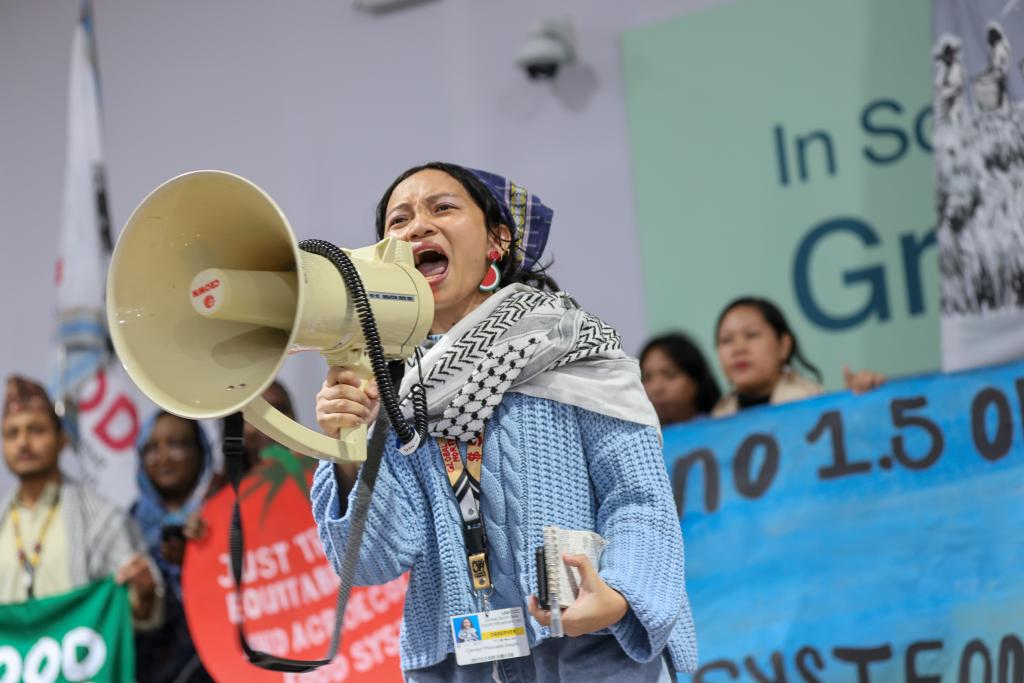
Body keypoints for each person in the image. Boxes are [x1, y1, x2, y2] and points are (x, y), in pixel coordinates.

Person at [311, 162, 696, 682]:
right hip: (460, 668)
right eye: (397, 221)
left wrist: (621, 596)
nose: (416, 227)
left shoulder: (575, 349)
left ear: (497, 241)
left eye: (442, 207)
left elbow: (639, 501)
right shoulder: (396, 395)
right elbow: (371, 561)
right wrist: (347, 446)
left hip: (593, 658)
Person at [0, 375, 162, 629]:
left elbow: (138, 612)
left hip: (76, 663)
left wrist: (143, 596)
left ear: (63, 439)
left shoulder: (103, 518)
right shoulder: (4, 519)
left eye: (36, 430)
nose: (22, 443)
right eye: (11, 433)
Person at [132, 411, 216, 683]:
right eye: (151, 448)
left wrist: (201, 560)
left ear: (201, 450)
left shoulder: (229, 513)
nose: (164, 457)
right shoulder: (125, 526)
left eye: (177, 444)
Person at [712, 297, 885, 417]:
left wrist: (859, 407)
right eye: (726, 340)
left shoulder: (811, 401)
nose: (738, 349)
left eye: (751, 335)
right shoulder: (716, 419)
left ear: (783, 345)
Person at [640, 333, 721, 426]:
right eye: (647, 378)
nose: (657, 388)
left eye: (670, 375)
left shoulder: (722, 428)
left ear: (695, 382)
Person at [243, 380, 296, 468]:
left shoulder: (321, 477)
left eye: (280, 411)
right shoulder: (219, 480)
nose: (269, 426)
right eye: (254, 415)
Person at [933, 34, 965, 124]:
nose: (947, 58)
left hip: (956, 99)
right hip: (944, 101)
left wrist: (944, 92)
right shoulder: (942, 68)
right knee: (940, 118)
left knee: (954, 116)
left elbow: (957, 86)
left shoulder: (957, 67)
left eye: (949, 55)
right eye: (945, 56)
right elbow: (938, 84)